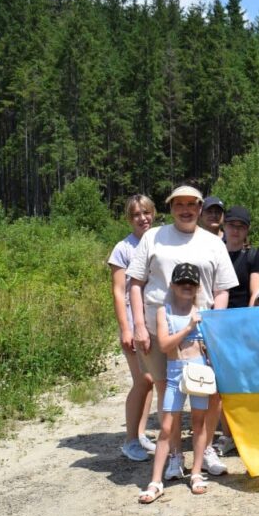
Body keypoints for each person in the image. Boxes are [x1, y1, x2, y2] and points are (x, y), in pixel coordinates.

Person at [126, 185, 238, 483]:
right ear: (171, 208)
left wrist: (215, 326)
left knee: (209, 393)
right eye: (179, 205)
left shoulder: (213, 243)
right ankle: (175, 455)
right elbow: (135, 283)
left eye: (192, 204)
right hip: (158, 330)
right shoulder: (153, 237)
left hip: (201, 333)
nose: (186, 210)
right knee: (168, 395)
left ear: (200, 208)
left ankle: (206, 451)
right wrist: (138, 325)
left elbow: (222, 289)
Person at [138, 264, 215, 502]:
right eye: (182, 282)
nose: (186, 286)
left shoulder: (203, 311)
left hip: (199, 372)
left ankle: (196, 472)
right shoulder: (164, 311)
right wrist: (190, 327)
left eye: (191, 283)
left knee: (199, 423)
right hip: (175, 373)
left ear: (198, 287)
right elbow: (164, 345)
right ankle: (155, 481)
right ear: (172, 285)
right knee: (167, 427)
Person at [108, 195, 157, 462]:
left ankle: (140, 433)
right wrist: (125, 329)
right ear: (129, 218)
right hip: (132, 321)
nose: (143, 218)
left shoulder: (158, 241)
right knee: (143, 380)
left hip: (154, 321)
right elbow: (119, 292)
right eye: (137, 214)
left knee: (151, 381)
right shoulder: (123, 249)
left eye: (146, 212)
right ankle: (130, 440)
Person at [223, 205, 259, 308]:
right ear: (224, 226)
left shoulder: (254, 256)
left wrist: (249, 316)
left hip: (243, 314)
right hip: (214, 313)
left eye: (241, 227)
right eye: (231, 225)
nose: (236, 230)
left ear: (247, 229)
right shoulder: (214, 253)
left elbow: (256, 294)